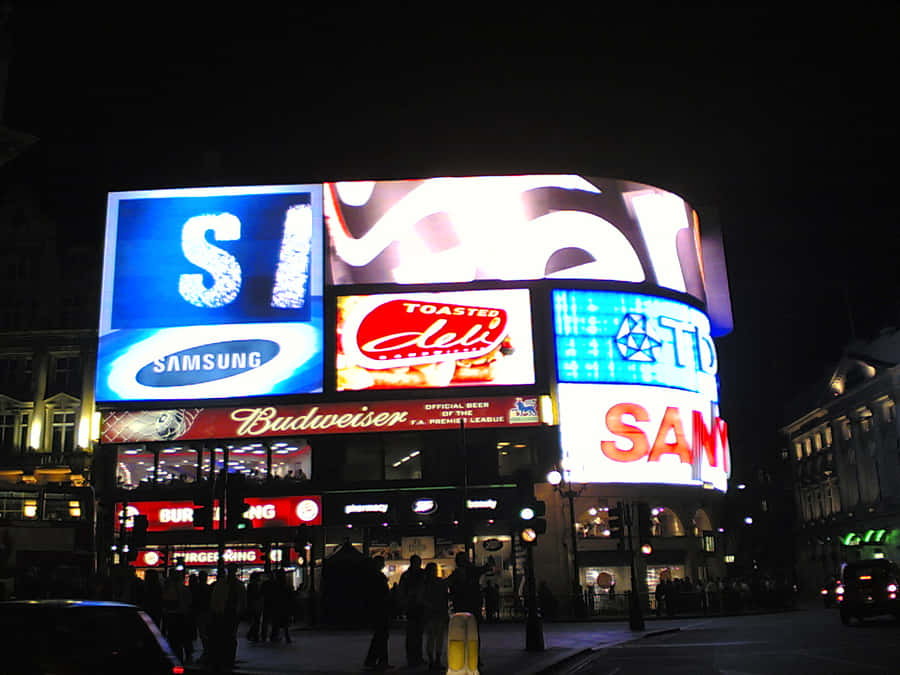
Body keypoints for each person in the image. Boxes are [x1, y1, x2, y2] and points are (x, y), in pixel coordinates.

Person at [446, 552, 493, 666]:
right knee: (473, 633)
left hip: (461, 606)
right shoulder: (472, 571)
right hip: (472, 606)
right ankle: (474, 657)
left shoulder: (458, 574)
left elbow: (448, 585)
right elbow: (485, 568)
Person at [209, 564, 246, 673]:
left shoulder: (228, 584)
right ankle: (226, 660)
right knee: (227, 637)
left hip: (229, 613)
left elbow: (242, 600)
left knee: (228, 637)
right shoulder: (230, 584)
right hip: (225, 613)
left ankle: (226, 660)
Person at [363, 556, 393, 671]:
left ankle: (374, 659)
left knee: (379, 636)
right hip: (381, 609)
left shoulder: (371, 576)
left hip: (377, 609)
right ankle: (381, 661)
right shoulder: (378, 577)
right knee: (382, 636)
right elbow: (382, 594)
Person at [398, 554, 426, 667]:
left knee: (415, 634)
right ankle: (414, 658)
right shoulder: (418, 575)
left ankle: (415, 658)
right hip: (415, 607)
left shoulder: (407, 575)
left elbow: (402, 591)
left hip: (415, 607)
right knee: (414, 634)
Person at [423, 562, 448, 670]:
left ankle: (432, 660)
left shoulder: (424, 583)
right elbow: (444, 598)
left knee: (432, 638)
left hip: (431, 613)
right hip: (437, 612)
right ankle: (436, 659)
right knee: (438, 638)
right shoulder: (439, 582)